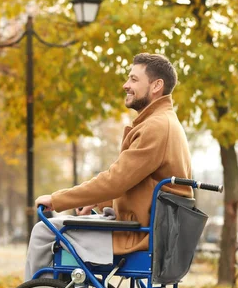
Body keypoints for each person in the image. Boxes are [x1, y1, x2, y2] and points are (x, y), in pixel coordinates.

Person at [35, 53, 193, 257]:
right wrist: (98, 203)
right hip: (146, 228)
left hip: (136, 234)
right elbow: (135, 184)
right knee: (58, 232)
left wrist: (56, 199)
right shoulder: (164, 122)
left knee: (43, 232)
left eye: (134, 79)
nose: (126, 85)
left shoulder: (156, 127)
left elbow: (115, 181)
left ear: (156, 86)